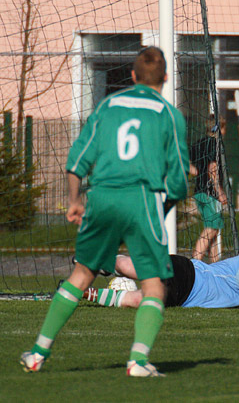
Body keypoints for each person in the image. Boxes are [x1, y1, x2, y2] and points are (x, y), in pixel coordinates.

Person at [21, 47, 190, 377]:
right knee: (153, 286)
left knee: (81, 276)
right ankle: (138, 362)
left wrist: (73, 200)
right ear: (166, 79)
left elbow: (77, 160)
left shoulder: (107, 106)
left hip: (101, 197)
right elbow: (180, 179)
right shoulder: (169, 114)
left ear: (132, 76)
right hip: (143, 199)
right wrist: (164, 207)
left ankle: (38, 354)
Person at [83, 240, 239, 311]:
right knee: (142, 297)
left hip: (185, 272)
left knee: (137, 269)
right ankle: (88, 286)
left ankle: (93, 265)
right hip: (188, 281)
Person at [190, 115, 228, 262]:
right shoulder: (215, 144)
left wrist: (196, 172)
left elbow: (184, 160)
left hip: (198, 192)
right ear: (220, 128)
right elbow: (213, 168)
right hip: (210, 193)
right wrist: (220, 192)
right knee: (211, 229)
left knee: (213, 227)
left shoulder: (198, 143)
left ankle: (215, 264)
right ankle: (195, 263)